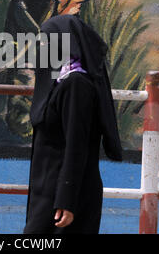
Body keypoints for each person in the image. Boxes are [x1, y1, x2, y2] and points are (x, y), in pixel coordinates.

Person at [23, 14, 123, 234]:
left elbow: (77, 147)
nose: (42, 48)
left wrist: (67, 201)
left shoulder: (76, 85)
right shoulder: (60, 83)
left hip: (64, 199)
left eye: (46, 42)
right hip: (49, 192)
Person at [0, 0, 81, 138]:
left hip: (54, 63)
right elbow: (37, 36)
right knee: (22, 124)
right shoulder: (18, 5)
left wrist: (70, 13)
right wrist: (62, 15)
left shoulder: (54, 2)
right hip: (26, 65)